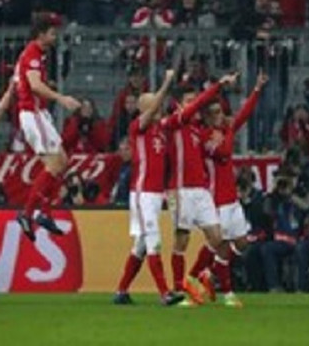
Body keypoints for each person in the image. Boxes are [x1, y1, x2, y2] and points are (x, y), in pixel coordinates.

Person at [0, 16, 82, 242]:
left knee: (61, 161)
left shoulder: (29, 55)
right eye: (52, 33)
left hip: (37, 115)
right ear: (41, 33)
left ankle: (42, 212)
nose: (55, 37)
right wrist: (61, 98)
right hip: (33, 115)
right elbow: (34, 86)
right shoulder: (32, 54)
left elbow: (10, 92)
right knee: (55, 164)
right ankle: (29, 213)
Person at [184, 70, 268, 307]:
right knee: (218, 245)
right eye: (216, 113)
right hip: (216, 200)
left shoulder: (224, 130)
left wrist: (257, 89)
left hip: (231, 199)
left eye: (221, 112)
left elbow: (244, 114)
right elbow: (224, 152)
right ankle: (220, 289)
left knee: (241, 243)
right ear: (207, 117)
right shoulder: (204, 137)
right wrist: (229, 131)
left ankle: (207, 275)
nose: (222, 116)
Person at [112, 69, 185, 306]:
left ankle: (121, 291)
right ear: (144, 108)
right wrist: (166, 82)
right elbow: (154, 109)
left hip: (155, 193)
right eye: (152, 103)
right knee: (154, 240)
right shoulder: (137, 126)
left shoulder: (160, 131)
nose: (157, 106)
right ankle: (165, 293)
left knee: (141, 245)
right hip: (143, 193)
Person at [166, 72, 239, 306]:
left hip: (201, 190)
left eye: (193, 101)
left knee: (218, 238)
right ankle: (179, 290)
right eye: (189, 101)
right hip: (180, 189)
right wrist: (218, 84)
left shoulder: (197, 128)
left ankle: (203, 275)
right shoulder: (174, 122)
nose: (193, 105)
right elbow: (199, 104)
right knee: (182, 240)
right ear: (178, 104)